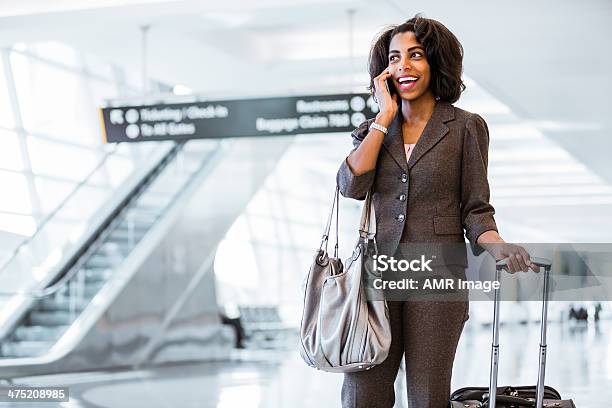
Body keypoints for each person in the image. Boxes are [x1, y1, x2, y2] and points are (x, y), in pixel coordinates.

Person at [336, 15, 539, 408]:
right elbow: (350, 186)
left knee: (428, 396)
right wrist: (383, 119)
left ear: (436, 62)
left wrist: (496, 244)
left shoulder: (464, 127)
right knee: (362, 396)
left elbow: (476, 208)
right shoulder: (375, 129)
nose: (404, 66)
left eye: (415, 55)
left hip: (436, 278)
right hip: (376, 276)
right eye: (395, 58)